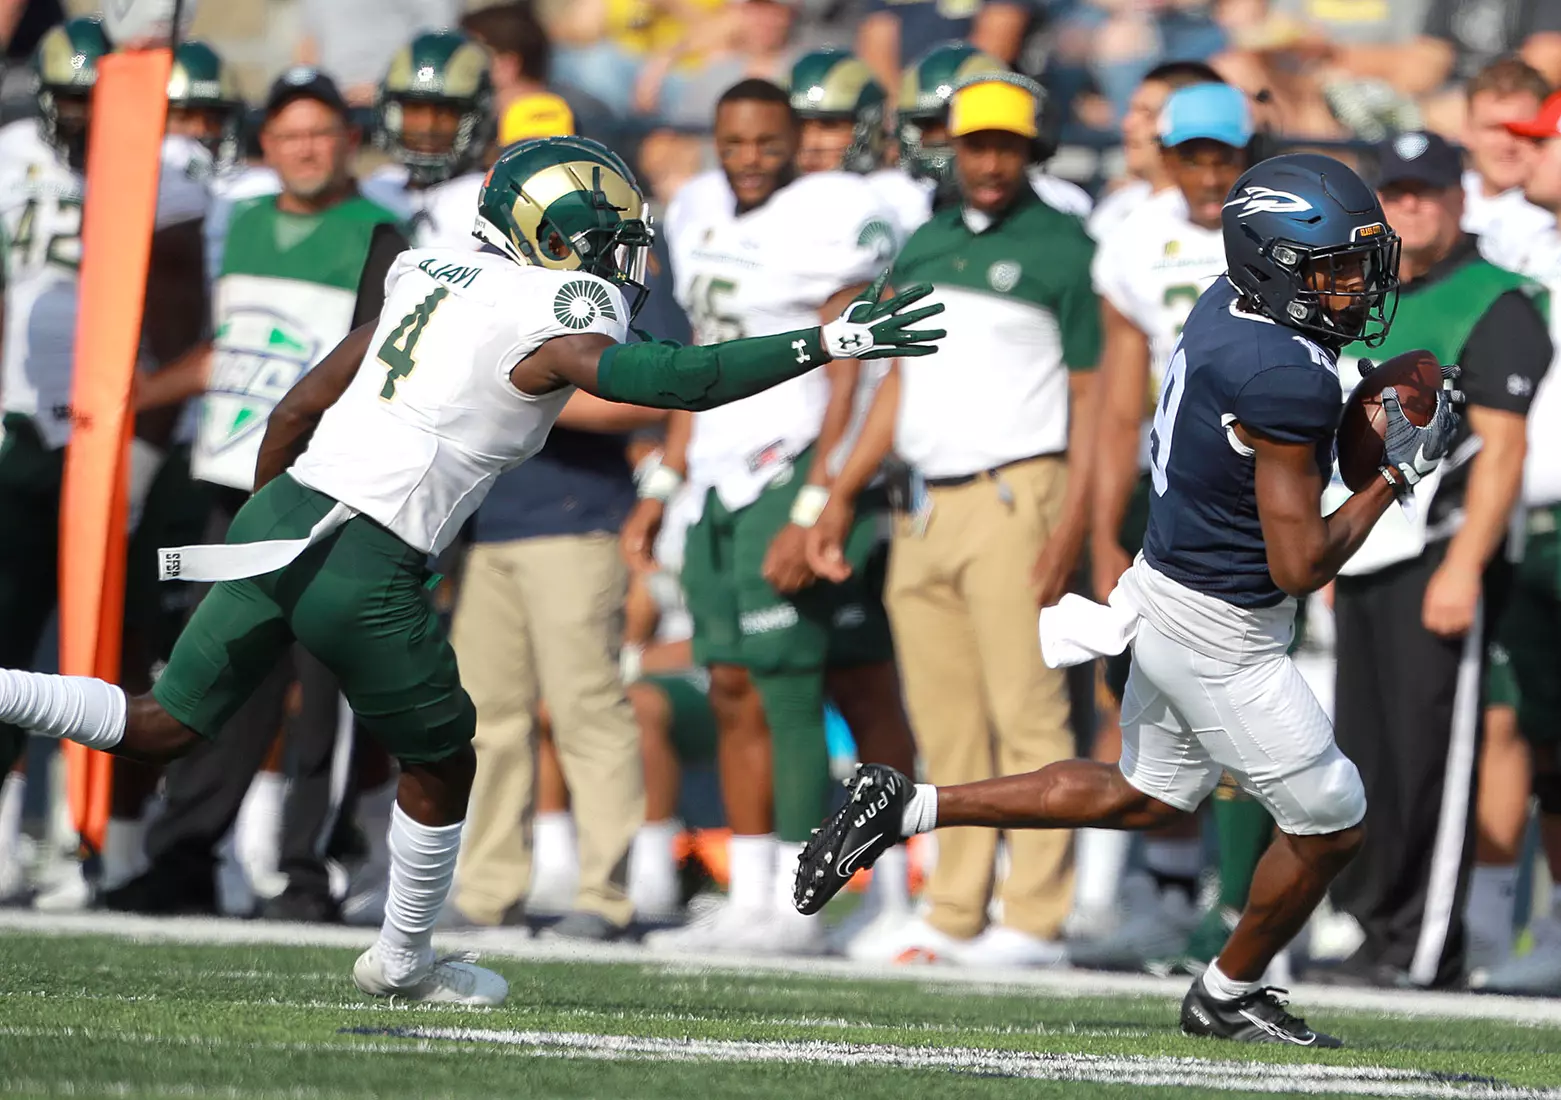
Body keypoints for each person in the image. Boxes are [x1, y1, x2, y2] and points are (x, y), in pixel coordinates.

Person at [0, 133, 945, 1003]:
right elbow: (670, 382)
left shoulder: (425, 269)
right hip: (368, 551)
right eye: (609, 235)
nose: (623, 254)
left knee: (166, 724)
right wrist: (826, 340)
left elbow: (299, 405)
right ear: (560, 235)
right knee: (444, 758)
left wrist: (266, 515)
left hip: (285, 510)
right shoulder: (555, 306)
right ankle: (402, 959)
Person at [802, 151, 1463, 1045]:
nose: (1353, 287)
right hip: (1218, 629)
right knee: (1332, 822)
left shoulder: (1226, 302)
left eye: (1357, 266)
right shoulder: (1283, 377)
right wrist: (1390, 473)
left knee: (1145, 797)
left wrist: (1358, 408)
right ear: (1276, 265)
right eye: (1334, 269)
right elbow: (1303, 563)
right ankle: (1228, 989)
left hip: (1165, 586)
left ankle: (905, 805)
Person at [106, 69, 411, 923]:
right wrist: (124, 401)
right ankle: (184, 858)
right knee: (212, 678)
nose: (305, 149)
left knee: (323, 698)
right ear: (264, 146)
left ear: (348, 140)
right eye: (288, 135)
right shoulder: (238, 223)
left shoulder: (382, 234)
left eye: (321, 132)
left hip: (328, 496)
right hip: (231, 487)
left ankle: (306, 873)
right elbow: (226, 350)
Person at [809, 73, 1100, 967]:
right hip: (921, 505)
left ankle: (1035, 916)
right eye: (975, 144)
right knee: (942, 720)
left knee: (1029, 711)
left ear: (1030, 152)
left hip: (1021, 492)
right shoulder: (926, 242)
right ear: (952, 148)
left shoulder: (1066, 247)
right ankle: (954, 908)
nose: (988, 161)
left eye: (1006, 146)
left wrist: (1071, 525)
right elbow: (896, 384)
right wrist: (834, 496)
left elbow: (1096, 400)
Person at [622, 79, 902, 957]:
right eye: (733, 141)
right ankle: (749, 893)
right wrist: (665, 477)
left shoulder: (834, 211)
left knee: (787, 689)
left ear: (794, 143)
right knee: (731, 681)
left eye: (766, 142)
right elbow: (697, 357)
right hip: (709, 472)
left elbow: (855, 366)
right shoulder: (697, 205)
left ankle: (797, 896)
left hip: (785, 466)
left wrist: (819, 499)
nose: (748, 158)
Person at [1322, 131, 1550, 991]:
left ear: (1460, 200)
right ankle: (1375, 925)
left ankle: (1423, 945)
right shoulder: (1364, 298)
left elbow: (1501, 451)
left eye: (1429, 190)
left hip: (1438, 557)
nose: (1412, 205)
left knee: (1428, 755)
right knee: (1365, 751)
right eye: (1397, 191)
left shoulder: (1495, 301)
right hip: (1363, 553)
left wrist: (1462, 570)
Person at [0, 16, 210, 900]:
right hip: (17, 426)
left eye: (99, 99)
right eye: (71, 99)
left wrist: (143, 449)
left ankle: (106, 842)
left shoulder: (166, 174)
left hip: (116, 443)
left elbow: (181, 327)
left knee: (117, 649)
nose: (82, 118)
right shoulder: (13, 154)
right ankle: (11, 837)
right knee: (7, 631)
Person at [1072, 81, 1263, 971]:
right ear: (1169, 154)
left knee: (1247, 692)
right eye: (1195, 155)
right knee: (1152, 694)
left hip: (1265, 490)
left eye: (1225, 155)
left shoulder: (1278, 233)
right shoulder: (1132, 242)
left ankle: (1243, 904)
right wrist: (1109, 527)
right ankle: (1167, 894)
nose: (1210, 173)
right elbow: (1118, 405)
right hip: (1169, 491)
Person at [1475, 90, 1561, 995]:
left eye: (1541, 144)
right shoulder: (1526, 242)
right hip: (1527, 519)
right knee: (1534, 728)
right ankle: (1539, 926)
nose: (1521, 156)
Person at [886, 41, 1091, 240]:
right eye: (930, 127)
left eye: (962, 131)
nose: (943, 138)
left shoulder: (1061, 204)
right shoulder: (894, 202)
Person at [360, 29, 497, 250]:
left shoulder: (490, 203)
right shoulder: (375, 188)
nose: (427, 127)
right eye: (414, 108)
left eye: (444, 112)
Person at [1086, 60, 1227, 243]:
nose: (1128, 124)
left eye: (1148, 114)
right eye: (1132, 111)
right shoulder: (1115, 205)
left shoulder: (1213, 216)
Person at [1460, 57, 1555, 275]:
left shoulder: (1554, 214)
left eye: (1521, 130)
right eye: (1493, 129)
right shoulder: (1437, 203)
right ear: (1466, 130)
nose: (1507, 144)